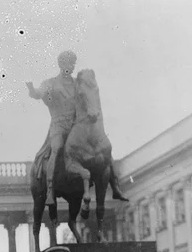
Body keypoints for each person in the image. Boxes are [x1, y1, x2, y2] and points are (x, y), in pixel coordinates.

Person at [26, 50, 128, 206]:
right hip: (59, 126)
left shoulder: (77, 83)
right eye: (68, 64)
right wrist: (32, 90)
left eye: (73, 64)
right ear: (61, 65)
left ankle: (115, 186)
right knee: (57, 148)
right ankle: (50, 191)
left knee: (104, 149)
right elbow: (39, 93)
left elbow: (88, 99)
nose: (71, 67)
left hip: (77, 127)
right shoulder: (51, 83)